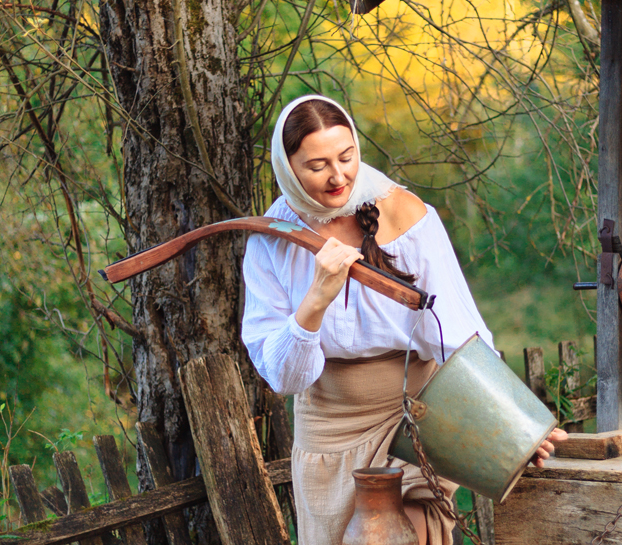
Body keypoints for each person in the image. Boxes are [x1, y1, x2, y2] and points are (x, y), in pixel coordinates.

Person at [241, 94, 567, 545]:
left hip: (416, 418)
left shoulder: (407, 214)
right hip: (329, 432)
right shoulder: (271, 239)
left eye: (346, 156)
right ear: (287, 168)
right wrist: (316, 299)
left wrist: (515, 422)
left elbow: (457, 331)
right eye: (317, 166)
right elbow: (284, 376)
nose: (338, 176)